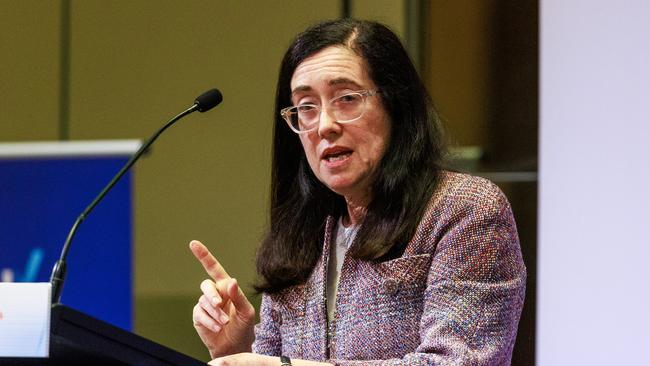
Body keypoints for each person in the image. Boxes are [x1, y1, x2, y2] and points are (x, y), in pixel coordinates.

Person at [190, 19, 526, 366]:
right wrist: (235, 352)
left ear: (396, 104)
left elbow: (459, 362)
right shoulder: (301, 235)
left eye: (347, 99)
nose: (324, 125)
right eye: (306, 107)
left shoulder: (463, 209)